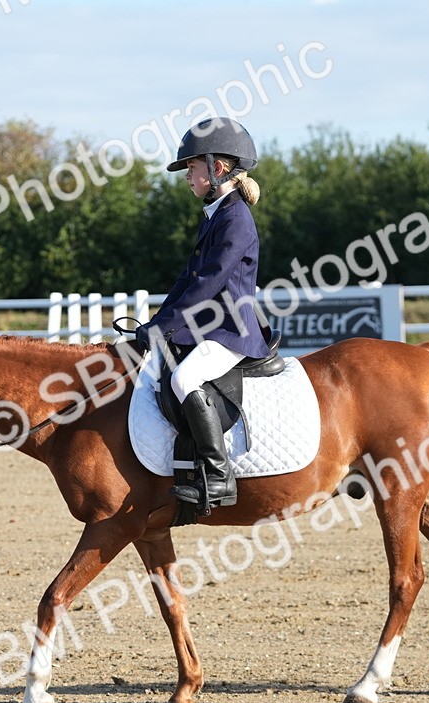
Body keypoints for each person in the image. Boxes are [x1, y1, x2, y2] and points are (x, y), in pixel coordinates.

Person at [135, 117, 271, 509]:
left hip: (232, 330)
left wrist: (165, 328)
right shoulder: (216, 215)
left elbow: (207, 284)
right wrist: (155, 324)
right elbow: (185, 280)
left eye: (192, 168)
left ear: (218, 168)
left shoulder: (235, 219)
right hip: (209, 328)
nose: (188, 177)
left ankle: (218, 474)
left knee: (184, 377)